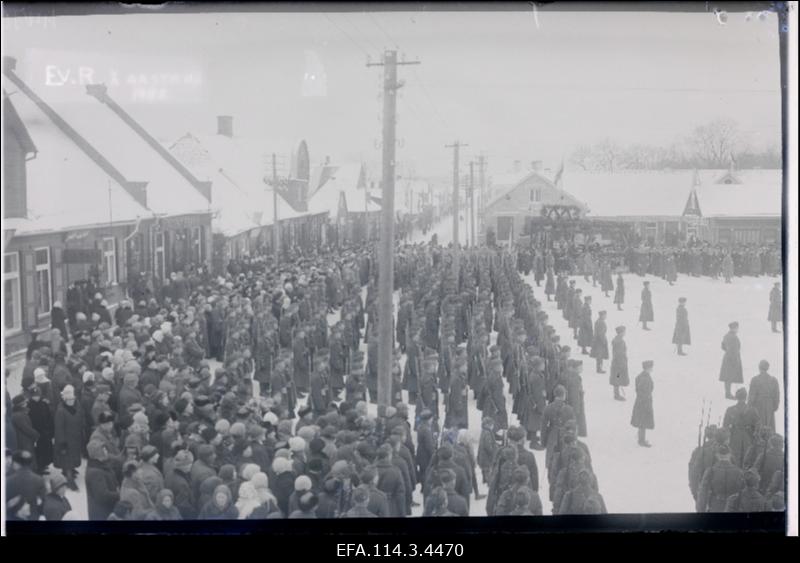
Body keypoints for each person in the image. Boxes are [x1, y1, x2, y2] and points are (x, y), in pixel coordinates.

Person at [696, 445, 744, 513]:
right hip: (733, 507)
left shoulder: (710, 471)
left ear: (717, 455)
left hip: (715, 507)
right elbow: (743, 492)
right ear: (730, 455)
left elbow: (703, 493)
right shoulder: (739, 472)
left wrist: (700, 509)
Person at [53, 385, 84, 491]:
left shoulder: (77, 406)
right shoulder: (61, 411)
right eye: (69, 399)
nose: (71, 401)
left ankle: (71, 469)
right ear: (65, 399)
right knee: (67, 459)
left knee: (73, 457)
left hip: (75, 438)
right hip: (66, 440)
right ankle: (69, 479)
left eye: (73, 399)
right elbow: (59, 428)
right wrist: (62, 443)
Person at [723, 388, 760, 468]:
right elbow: (758, 426)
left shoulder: (730, 410)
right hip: (748, 438)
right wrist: (753, 434)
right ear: (746, 397)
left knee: (734, 459)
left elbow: (725, 426)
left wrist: (728, 435)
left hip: (734, 438)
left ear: (736, 397)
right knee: (747, 460)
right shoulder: (752, 410)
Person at [747, 360, 780, 432]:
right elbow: (777, 396)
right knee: (769, 427)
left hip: (758, 405)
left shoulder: (755, 379)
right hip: (769, 406)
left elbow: (751, 396)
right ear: (767, 368)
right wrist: (774, 406)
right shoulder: (773, 380)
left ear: (759, 367)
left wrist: (748, 407)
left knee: (758, 426)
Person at [631, 361, 655, 448]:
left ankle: (641, 438)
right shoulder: (645, 378)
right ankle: (641, 440)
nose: (652, 369)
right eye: (651, 367)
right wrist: (646, 400)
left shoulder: (641, 376)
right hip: (644, 402)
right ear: (647, 368)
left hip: (641, 402)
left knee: (642, 421)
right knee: (643, 422)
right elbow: (643, 391)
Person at [719, 322, 743, 399]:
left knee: (727, 377)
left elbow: (723, 346)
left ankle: (727, 393)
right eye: (737, 328)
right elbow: (735, 350)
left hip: (727, 358)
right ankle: (728, 394)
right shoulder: (734, 338)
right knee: (729, 377)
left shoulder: (726, 336)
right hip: (732, 358)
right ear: (734, 328)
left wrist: (727, 350)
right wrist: (736, 360)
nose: (737, 329)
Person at [609, 326, 629, 401]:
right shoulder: (619, 341)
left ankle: (616, 394)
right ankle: (617, 395)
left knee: (617, 378)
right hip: (618, 364)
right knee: (617, 378)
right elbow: (619, 354)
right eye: (624, 331)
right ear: (621, 332)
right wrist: (621, 364)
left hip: (617, 363)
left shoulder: (617, 340)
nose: (625, 333)